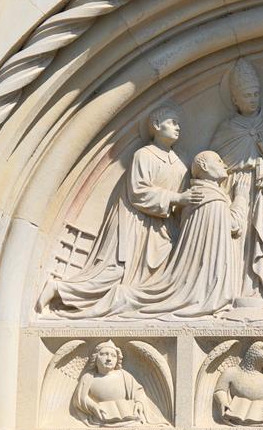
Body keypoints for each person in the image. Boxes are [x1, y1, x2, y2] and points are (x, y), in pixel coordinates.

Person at [36, 105, 201, 318]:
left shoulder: (179, 162)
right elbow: (138, 191)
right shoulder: (144, 155)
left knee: (158, 279)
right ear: (157, 125)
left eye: (178, 123)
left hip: (163, 228)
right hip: (135, 223)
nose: (178, 127)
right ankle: (59, 289)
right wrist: (177, 198)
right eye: (172, 122)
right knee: (115, 273)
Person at [123, 150, 240, 318]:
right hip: (207, 294)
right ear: (205, 166)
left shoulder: (200, 195)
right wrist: (241, 197)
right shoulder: (210, 197)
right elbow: (234, 225)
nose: (225, 165)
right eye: (219, 161)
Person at [210, 58, 263, 301]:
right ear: (234, 100)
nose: (252, 99)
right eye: (247, 95)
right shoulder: (226, 129)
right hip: (236, 191)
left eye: (255, 94)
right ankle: (237, 289)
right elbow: (213, 167)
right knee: (239, 243)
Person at [72, 340, 149, 426]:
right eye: (104, 354)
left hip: (129, 418)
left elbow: (138, 391)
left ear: (117, 359)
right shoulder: (88, 377)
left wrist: (139, 403)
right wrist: (93, 406)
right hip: (99, 418)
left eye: (113, 356)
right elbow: (79, 398)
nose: (109, 359)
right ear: (95, 357)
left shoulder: (124, 375)